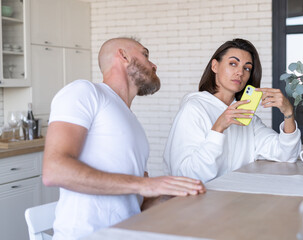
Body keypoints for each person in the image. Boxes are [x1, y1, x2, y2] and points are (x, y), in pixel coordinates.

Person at [42, 37, 206, 240]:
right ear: (124, 56)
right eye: (145, 55)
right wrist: (145, 184)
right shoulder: (85, 92)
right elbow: (54, 171)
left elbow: (139, 203)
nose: (154, 64)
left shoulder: (132, 122)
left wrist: (171, 192)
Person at [163, 38, 301, 183]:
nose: (240, 72)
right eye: (233, 64)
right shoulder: (194, 109)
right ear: (215, 66)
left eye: (247, 68)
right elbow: (187, 176)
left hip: (234, 198)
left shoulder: (247, 118)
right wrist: (218, 128)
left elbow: (287, 154)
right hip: (197, 201)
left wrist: (288, 113)